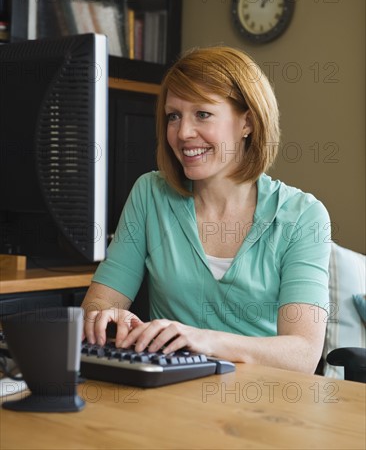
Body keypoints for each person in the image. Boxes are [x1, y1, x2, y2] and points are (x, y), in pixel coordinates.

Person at [82, 46, 331, 374]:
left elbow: (302, 354)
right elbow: (98, 305)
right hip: (172, 398)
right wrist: (108, 317)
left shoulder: (303, 215)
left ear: (248, 123)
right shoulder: (150, 194)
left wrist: (205, 341)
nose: (183, 133)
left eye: (202, 114)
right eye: (174, 116)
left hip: (266, 403)